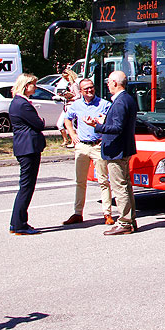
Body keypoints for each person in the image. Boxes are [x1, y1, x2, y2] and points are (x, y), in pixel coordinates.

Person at [84, 70, 138, 235]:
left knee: (120, 187)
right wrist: (104, 120)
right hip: (122, 148)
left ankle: (125, 223)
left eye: (109, 81)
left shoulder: (121, 102)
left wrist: (97, 126)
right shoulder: (126, 99)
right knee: (126, 186)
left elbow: (117, 128)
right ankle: (130, 220)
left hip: (117, 150)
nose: (107, 84)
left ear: (115, 83)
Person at [62, 78, 114, 226]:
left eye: (91, 87)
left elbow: (111, 122)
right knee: (80, 181)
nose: (90, 91)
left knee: (104, 181)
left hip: (98, 145)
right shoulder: (76, 105)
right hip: (82, 146)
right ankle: (78, 213)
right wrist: (72, 134)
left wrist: (100, 124)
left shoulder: (104, 104)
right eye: (86, 89)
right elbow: (67, 119)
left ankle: (107, 213)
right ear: (80, 91)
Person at [9, 73, 46, 235]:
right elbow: (38, 124)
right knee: (26, 187)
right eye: (33, 85)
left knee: (25, 186)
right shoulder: (22, 104)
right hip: (28, 148)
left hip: (25, 147)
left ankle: (16, 222)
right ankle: (20, 224)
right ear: (26, 86)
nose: (35, 87)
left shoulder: (18, 102)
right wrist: (41, 121)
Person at [56, 68, 81, 148]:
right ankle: (66, 140)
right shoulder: (68, 85)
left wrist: (71, 97)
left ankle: (74, 141)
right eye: (65, 78)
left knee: (71, 124)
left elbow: (78, 96)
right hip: (66, 105)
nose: (66, 79)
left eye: (67, 77)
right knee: (60, 124)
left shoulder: (74, 85)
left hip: (71, 105)